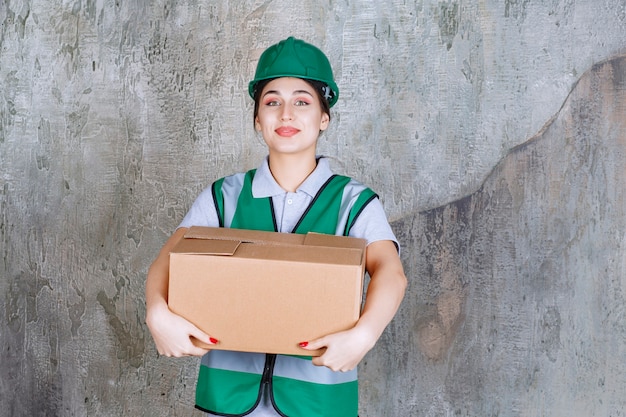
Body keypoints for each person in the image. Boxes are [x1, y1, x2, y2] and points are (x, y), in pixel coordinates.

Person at [145, 36, 407, 417]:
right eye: (272, 102)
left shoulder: (352, 201)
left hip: (317, 403)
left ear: (324, 117)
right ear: (257, 119)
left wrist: (365, 334)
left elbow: (391, 272)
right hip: (228, 400)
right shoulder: (224, 197)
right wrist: (156, 310)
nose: (286, 113)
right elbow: (165, 262)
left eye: (302, 101)